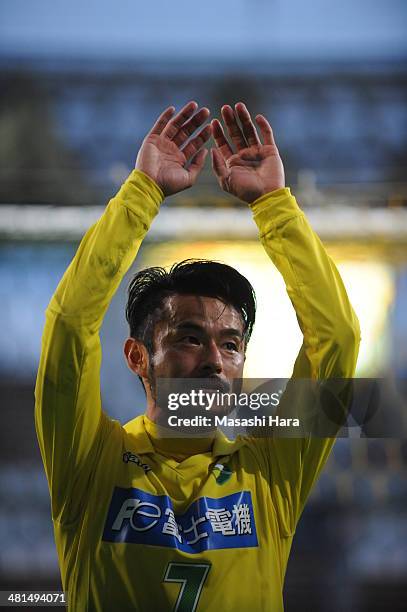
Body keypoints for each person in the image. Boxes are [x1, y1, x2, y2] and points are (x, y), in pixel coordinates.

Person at [35, 101, 360, 611]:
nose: (215, 359)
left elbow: (336, 337)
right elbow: (70, 327)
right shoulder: (89, 462)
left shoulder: (272, 470)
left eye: (231, 345)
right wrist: (141, 193)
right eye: (189, 337)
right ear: (138, 357)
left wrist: (274, 204)